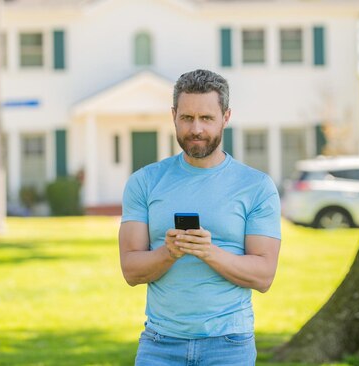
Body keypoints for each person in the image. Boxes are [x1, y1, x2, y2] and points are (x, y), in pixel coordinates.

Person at [119, 69, 281, 366]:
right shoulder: (144, 182)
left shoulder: (255, 186)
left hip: (229, 345)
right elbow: (131, 270)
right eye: (187, 118)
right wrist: (169, 253)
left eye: (206, 118)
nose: (196, 129)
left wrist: (208, 252)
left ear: (226, 117)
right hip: (160, 343)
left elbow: (263, 275)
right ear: (174, 116)